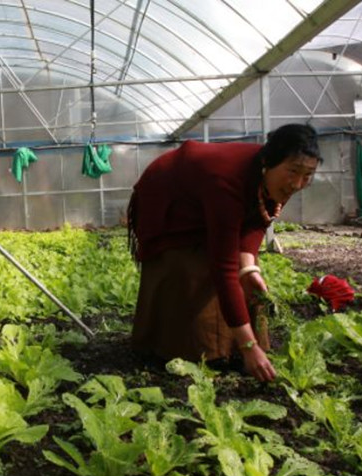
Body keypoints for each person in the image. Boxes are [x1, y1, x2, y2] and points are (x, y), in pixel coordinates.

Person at [127, 124, 321, 382]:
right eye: (293, 171)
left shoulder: (278, 181)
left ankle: (235, 346)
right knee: (190, 266)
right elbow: (224, 268)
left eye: (308, 175)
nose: (298, 183)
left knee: (245, 274)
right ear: (268, 163)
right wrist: (248, 347)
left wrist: (249, 268)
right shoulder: (226, 183)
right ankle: (179, 346)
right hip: (169, 198)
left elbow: (259, 219)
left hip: (205, 194)